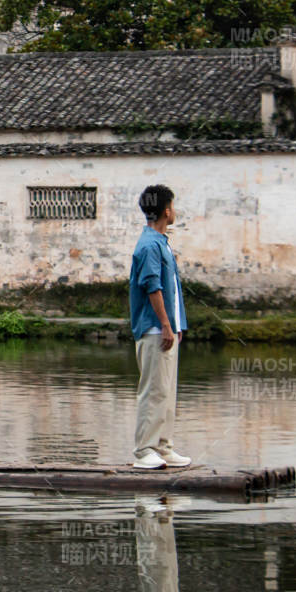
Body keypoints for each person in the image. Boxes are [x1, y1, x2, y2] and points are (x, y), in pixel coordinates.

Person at [130, 184, 190, 470]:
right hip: (154, 329)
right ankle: (144, 450)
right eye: (173, 206)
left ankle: (163, 447)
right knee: (153, 391)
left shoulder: (160, 242)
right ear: (167, 211)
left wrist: (176, 325)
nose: (174, 211)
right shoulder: (150, 245)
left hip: (166, 329)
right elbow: (152, 287)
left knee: (166, 392)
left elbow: (170, 289)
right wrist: (165, 324)